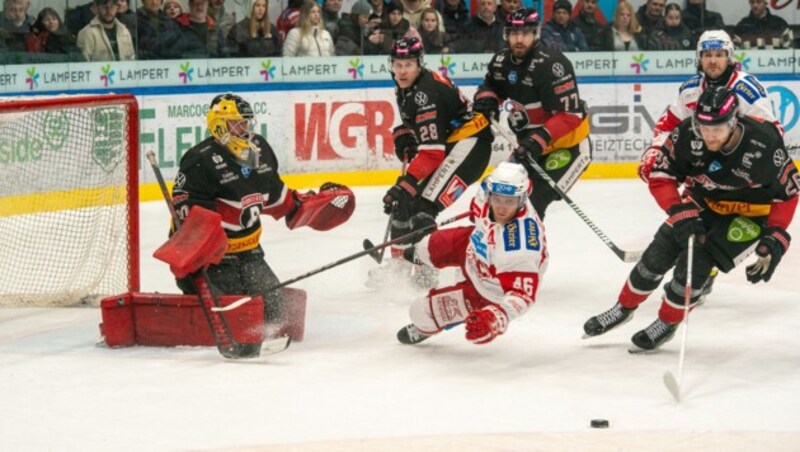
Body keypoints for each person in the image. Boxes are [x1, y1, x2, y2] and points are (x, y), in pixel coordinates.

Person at [583, 86, 798, 351]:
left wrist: (776, 234)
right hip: (703, 201)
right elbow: (661, 176)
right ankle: (622, 308)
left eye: (717, 128)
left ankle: (666, 322)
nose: (709, 135)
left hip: (750, 215)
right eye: (703, 127)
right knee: (656, 257)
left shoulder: (764, 143)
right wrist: (679, 210)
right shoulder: (686, 134)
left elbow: (787, 194)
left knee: (693, 269)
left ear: (734, 121)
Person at [171, 93, 355, 330]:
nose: (245, 129)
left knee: (276, 310)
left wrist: (306, 205)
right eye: (237, 123)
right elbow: (187, 215)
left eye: (246, 122)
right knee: (239, 314)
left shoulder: (260, 150)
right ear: (219, 125)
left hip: (250, 252)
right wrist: (195, 259)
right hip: (213, 260)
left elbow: (277, 198)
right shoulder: (200, 160)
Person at [638, 30, 780, 302]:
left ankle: (702, 274)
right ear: (699, 58)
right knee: (690, 225)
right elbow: (668, 124)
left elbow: (772, 134)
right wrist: (656, 150)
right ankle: (694, 274)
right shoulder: (691, 89)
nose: (713, 61)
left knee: (717, 233)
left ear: (730, 57)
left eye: (719, 55)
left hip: (737, 176)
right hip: (702, 170)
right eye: (707, 55)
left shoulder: (747, 91)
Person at [368, 37, 493, 288]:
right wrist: (405, 132)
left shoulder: (425, 93)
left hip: (470, 148)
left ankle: (427, 274)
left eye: (408, 64)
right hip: (450, 144)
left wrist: (407, 183)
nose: (402, 70)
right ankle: (401, 267)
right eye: (398, 64)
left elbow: (432, 153)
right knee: (404, 203)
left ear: (419, 64)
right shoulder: (406, 85)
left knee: (423, 208)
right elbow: (427, 130)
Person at [396, 162, 548, 345]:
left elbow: (523, 295)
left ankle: (427, 327)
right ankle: (424, 256)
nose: (501, 208)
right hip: (473, 243)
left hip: (487, 289)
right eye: (497, 199)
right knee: (424, 247)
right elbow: (481, 203)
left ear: (522, 199)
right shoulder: (489, 188)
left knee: (419, 312)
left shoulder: (520, 248)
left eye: (509, 202)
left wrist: (497, 317)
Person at [473, 7, 591, 219]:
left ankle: (529, 252)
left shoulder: (553, 65)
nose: (519, 39)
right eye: (515, 33)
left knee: (532, 205)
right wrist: (488, 99)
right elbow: (490, 87)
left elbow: (571, 115)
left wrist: (539, 139)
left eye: (526, 33)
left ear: (536, 34)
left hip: (568, 147)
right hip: (528, 148)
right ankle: (498, 249)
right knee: (500, 199)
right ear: (506, 34)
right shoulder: (501, 62)